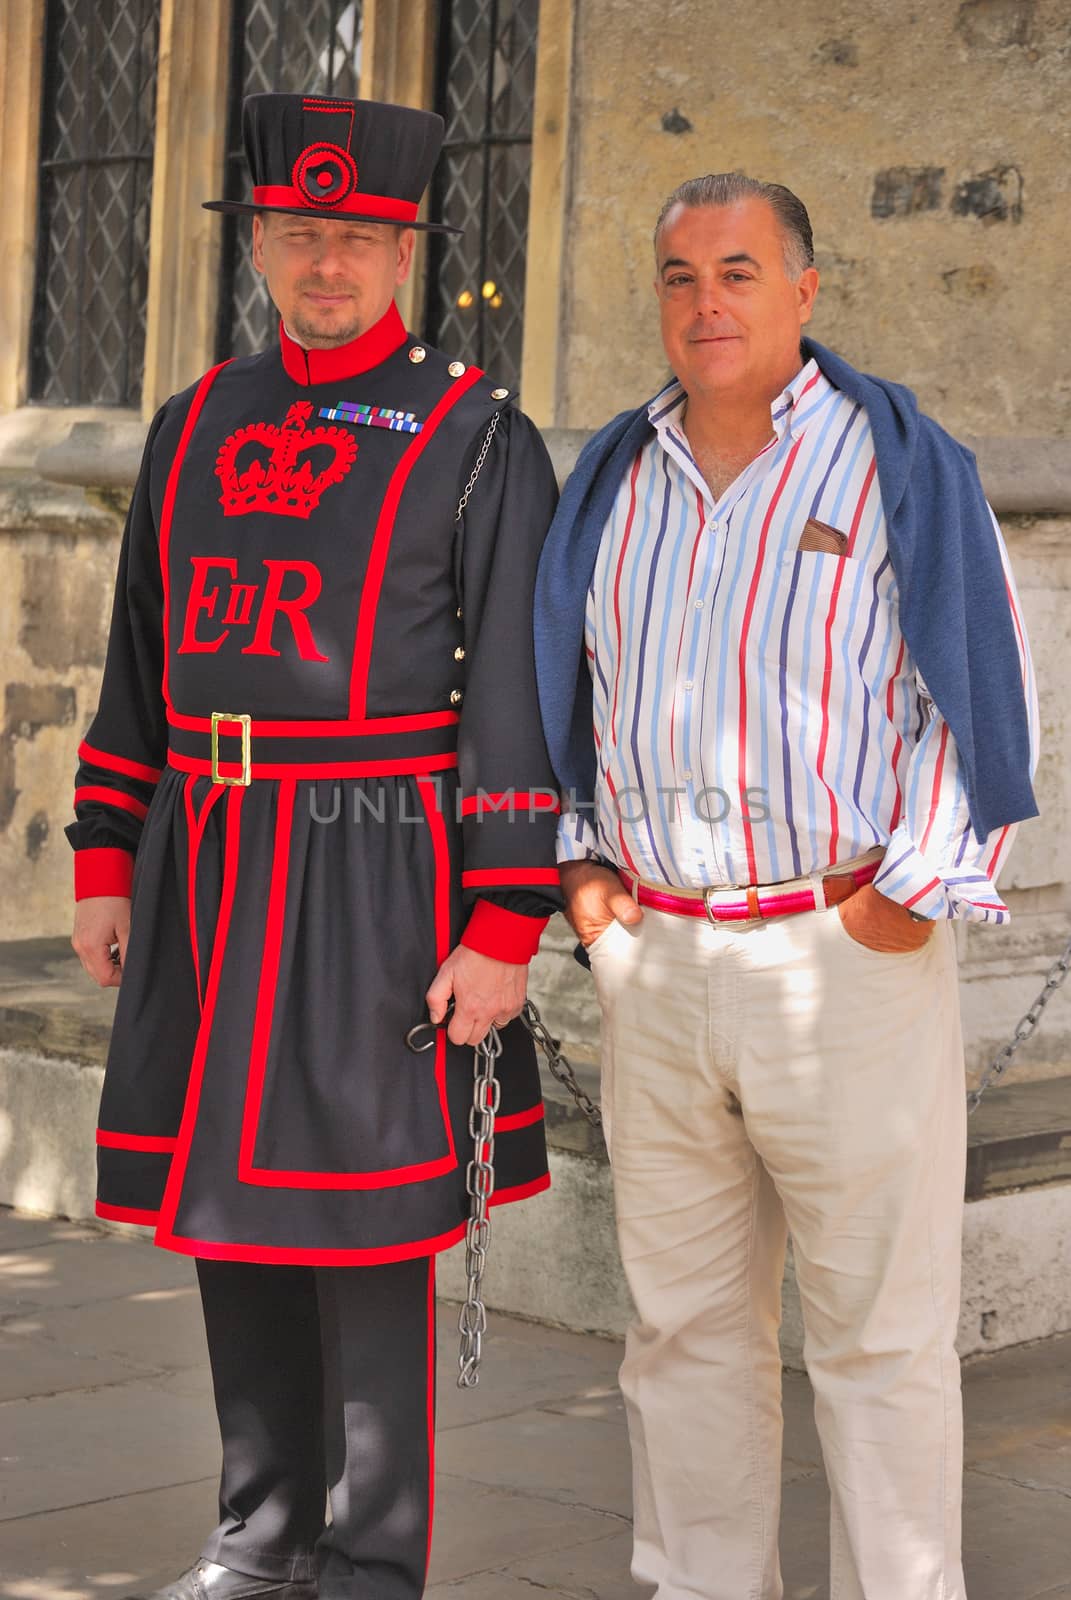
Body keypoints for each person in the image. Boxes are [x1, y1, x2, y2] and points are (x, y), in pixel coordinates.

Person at [69, 93, 561, 1600]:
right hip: (207, 855)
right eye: (299, 230)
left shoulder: (477, 432)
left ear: (408, 244)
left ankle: (369, 1559)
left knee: (359, 1222)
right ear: (263, 241)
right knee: (229, 1204)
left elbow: (521, 705)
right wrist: (104, 852)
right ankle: (260, 1536)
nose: (326, 261)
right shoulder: (196, 418)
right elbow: (141, 654)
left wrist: (504, 924)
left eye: (357, 234)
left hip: (378, 865)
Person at [534, 172, 1038, 1600]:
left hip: (842, 957)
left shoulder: (894, 465)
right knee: (683, 1332)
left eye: (740, 273)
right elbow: (567, 683)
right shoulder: (618, 477)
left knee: (880, 1338)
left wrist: (908, 896)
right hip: (663, 966)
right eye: (681, 276)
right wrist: (582, 870)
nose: (708, 303)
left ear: (804, 291)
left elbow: (984, 689)